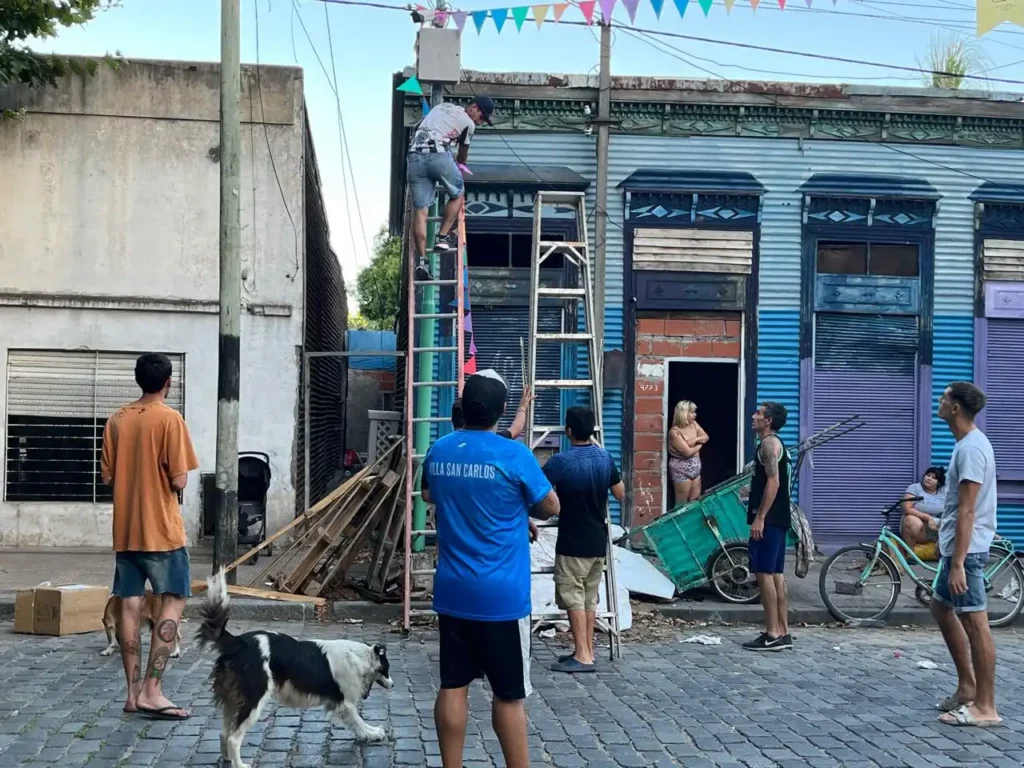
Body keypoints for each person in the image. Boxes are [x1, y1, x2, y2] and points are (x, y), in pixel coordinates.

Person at [421, 369, 560, 768]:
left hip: (452, 590)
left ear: (463, 407)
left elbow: (430, 491)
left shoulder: (441, 449)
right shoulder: (514, 454)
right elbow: (551, 505)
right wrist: (517, 510)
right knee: (509, 693)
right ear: (501, 412)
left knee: (453, 683)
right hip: (502, 597)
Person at [100, 353, 199, 720]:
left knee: (129, 605)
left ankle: (132, 693)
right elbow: (179, 479)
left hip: (125, 531)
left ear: (138, 380)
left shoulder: (116, 420)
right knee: (171, 603)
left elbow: (108, 477)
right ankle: (153, 690)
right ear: (168, 382)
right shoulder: (171, 420)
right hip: (162, 531)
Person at [933, 381, 1001, 728]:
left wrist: (958, 562)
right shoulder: (965, 445)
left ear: (956, 408)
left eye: (944, 398)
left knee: (976, 624)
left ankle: (986, 707)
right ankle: (966, 687)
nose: (940, 402)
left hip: (968, 551)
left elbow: (968, 511)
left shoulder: (971, 449)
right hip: (956, 547)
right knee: (941, 607)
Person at [542, 407, 625, 674]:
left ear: (568, 431)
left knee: (573, 597)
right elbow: (621, 493)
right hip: (598, 540)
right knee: (589, 599)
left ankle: (583, 655)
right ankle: (586, 649)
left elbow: (539, 494)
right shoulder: (604, 458)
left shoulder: (560, 462)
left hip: (572, 540)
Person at [406, 97, 495, 279]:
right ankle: (443, 236)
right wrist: (458, 163)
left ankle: (422, 262)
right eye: (481, 116)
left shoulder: (442, 106)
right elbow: (462, 155)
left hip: (414, 157)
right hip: (438, 155)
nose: (480, 121)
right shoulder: (469, 124)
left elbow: (417, 128)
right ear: (474, 108)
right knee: (458, 192)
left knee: (421, 211)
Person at [742, 402, 793, 653]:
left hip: (769, 519)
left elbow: (773, 483)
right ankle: (783, 632)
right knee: (776, 575)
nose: (754, 416)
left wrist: (760, 517)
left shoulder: (769, 444)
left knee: (764, 575)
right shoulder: (774, 444)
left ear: (768, 421)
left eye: (759, 413)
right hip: (780, 518)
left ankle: (772, 633)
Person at [451, 383, 534, 440]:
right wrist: (522, 406)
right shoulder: (496, 440)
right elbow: (516, 429)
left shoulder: (441, 446)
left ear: (452, 419)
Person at [667, 400, 708, 505]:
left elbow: (706, 437)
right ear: (684, 413)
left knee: (695, 503)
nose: (695, 415)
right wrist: (700, 445)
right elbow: (688, 452)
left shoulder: (694, 424)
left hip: (696, 472)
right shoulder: (675, 432)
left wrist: (694, 441)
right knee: (681, 505)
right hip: (682, 473)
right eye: (692, 412)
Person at [901, 466, 947, 548]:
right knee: (910, 519)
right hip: (919, 529)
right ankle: (909, 555)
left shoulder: (944, 491)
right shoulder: (914, 488)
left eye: (934, 478)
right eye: (928, 475)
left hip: (938, 528)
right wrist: (928, 518)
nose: (929, 478)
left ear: (938, 482)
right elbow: (907, 509)